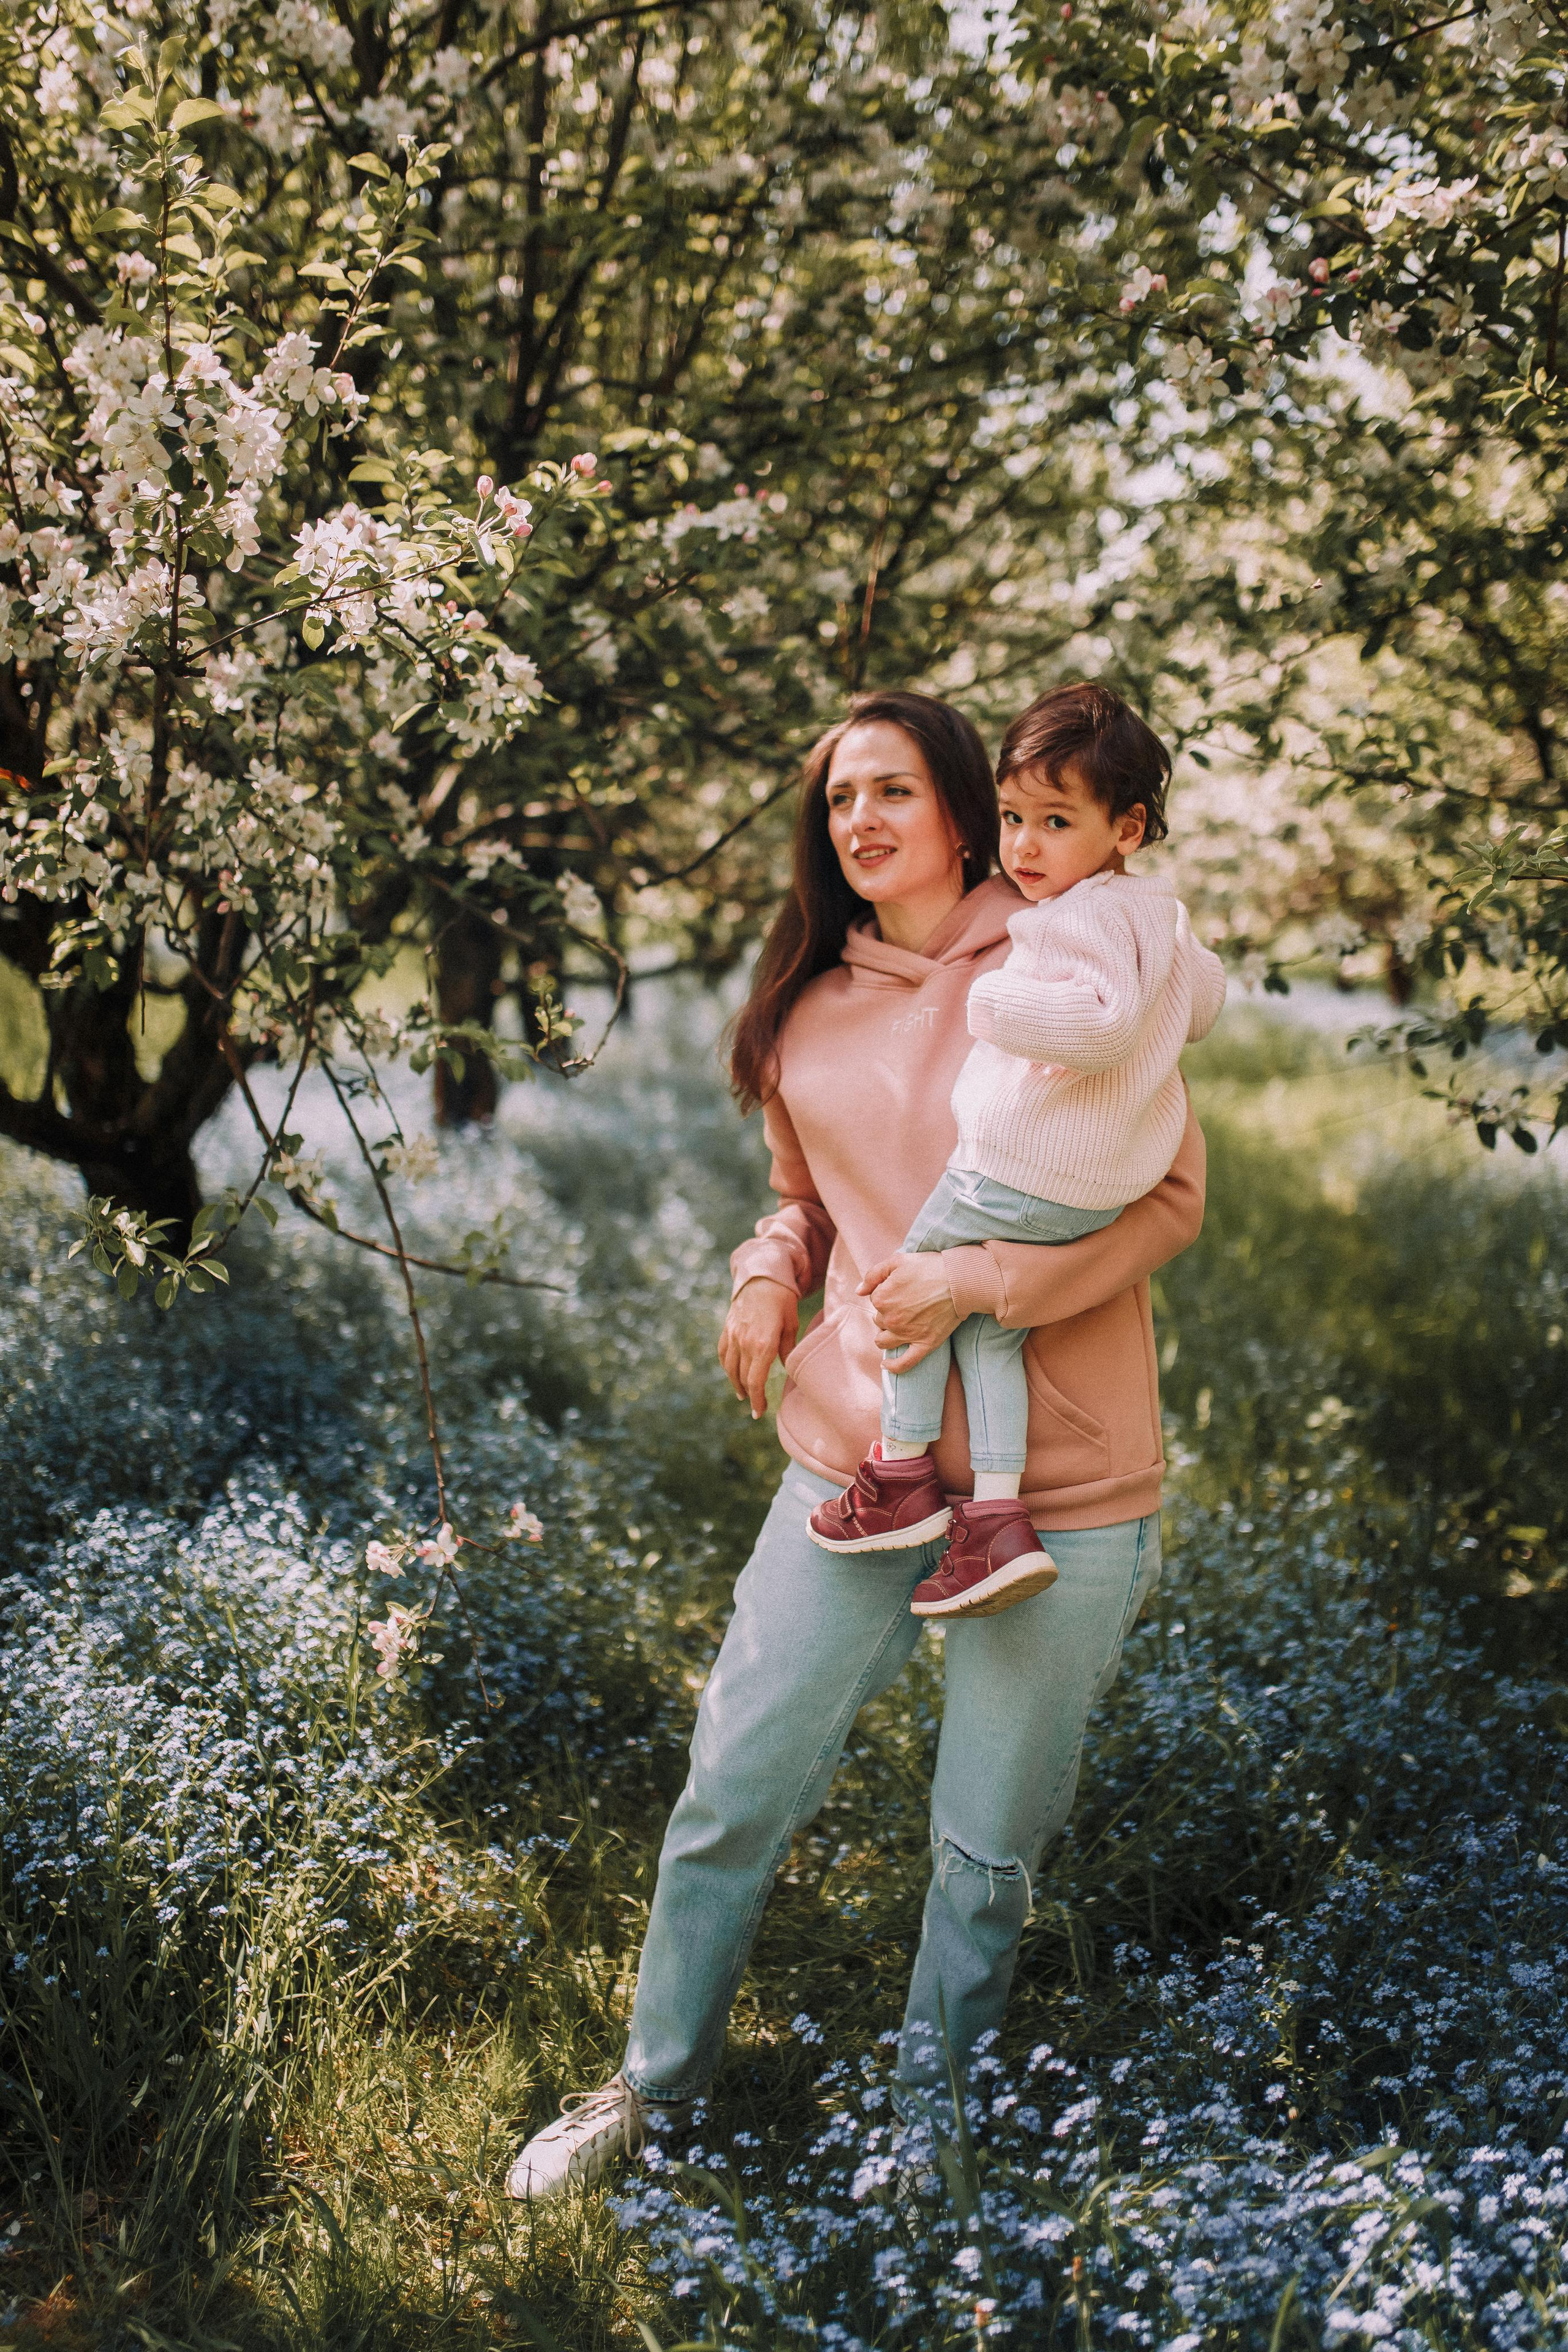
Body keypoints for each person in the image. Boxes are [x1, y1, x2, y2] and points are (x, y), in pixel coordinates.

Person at [505, 688, 1207, 2202]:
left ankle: (926, 2142)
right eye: (836, 801)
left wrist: (985, 1282)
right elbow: (804, 1194)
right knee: (733, 1786)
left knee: (983, 1854)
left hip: (1060, 1488)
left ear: (970, 810)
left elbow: (1166, 1199)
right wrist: (766, 1273)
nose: (862, 821)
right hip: (852, 1471)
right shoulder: (807, 1002)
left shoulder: (1063, 964)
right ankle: (650, 2086)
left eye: (893, 789)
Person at [806, 683, 1225, 1621]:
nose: (1026, 846)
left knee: (915, 1295)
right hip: (1082, 1188)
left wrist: (994, 1002)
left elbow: (1106, 1026)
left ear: (1127, 829)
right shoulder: (1157, 918)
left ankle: (899, 1473)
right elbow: (1199, 1002)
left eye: (1054, 821)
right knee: (990, 1333)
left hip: (1019, 1170)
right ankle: (996, 1515)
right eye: (1014, 818)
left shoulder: (1067, 922)